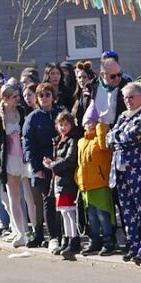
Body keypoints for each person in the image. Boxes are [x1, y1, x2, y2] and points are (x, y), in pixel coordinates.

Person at [106, 82, 141, 263]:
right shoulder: (122, 116)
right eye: (125, 97)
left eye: (131, 96)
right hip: (120, 171)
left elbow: (133, 135)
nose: (127, 101)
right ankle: (133, 244)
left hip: (139, 169)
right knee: (127, 211)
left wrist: (116, 136)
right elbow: (108, 139)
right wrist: (116, 136)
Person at [0, 84, 31, 248]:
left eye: (18, 96)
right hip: (10, 160)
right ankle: (19, 231)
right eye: (14, 97)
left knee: (29, 197)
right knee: (14, 198)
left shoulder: (22, 112)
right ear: (5, 98)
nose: (18, 99)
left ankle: (30, 230)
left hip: (24, 160)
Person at [23, 82, 63, 250]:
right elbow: (28, 144)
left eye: (48, 94)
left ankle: (64, 235)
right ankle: (49, 235)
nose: (45, 98)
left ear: (53, 97)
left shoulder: (60, 114)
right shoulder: (33, 117)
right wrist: (36, 167)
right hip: (42, 163)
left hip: (61, 162)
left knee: (61, 200)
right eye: (41, 95)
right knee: (47, 200)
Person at [76, 104, 115, 256]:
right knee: (91, 215)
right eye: (87, 122)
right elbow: (80, 163)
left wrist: (101, 124)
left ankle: (108, 240)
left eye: (93, 122)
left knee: (103, 214)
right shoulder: (81, 142)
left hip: (100, 184)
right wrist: (78, 178)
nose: (90, 124)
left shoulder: (100, 140)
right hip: (86, 185)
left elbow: (104, 145)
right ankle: (94, 240)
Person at [46, 111, 81, 260]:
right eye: (60, 124)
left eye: (66, 124)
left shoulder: (72, 140)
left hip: (67, 181)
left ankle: (73, 240)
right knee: (63, 213)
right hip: (59, 181)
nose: (63, 127)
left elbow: (69, 160)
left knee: (70, 213)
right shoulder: (59, 140)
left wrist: (52, 165)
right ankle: (66, 238)